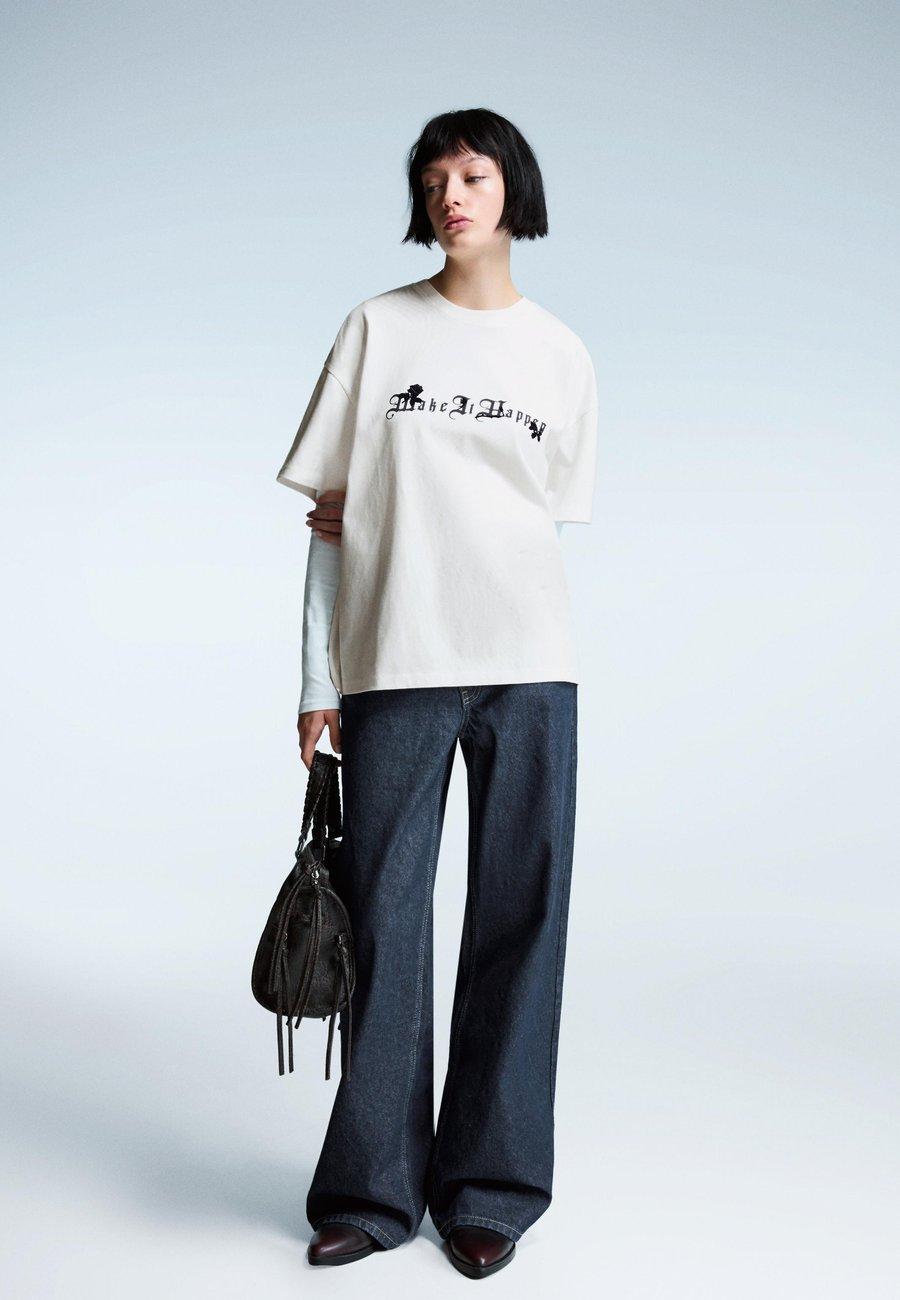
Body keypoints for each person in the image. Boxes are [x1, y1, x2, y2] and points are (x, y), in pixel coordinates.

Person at [275, 107, 598, 1279]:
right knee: (382, 921)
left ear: (514, 189)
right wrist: (317, 678)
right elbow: (330, 525)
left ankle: (490, 1189)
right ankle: (371, 1189)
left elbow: (541, 516)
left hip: (529, 664)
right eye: (433, 180)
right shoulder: (377, 328)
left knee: (522, 919)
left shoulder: (560, 353)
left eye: (472, 174)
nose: (451, 195)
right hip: (396, 662)